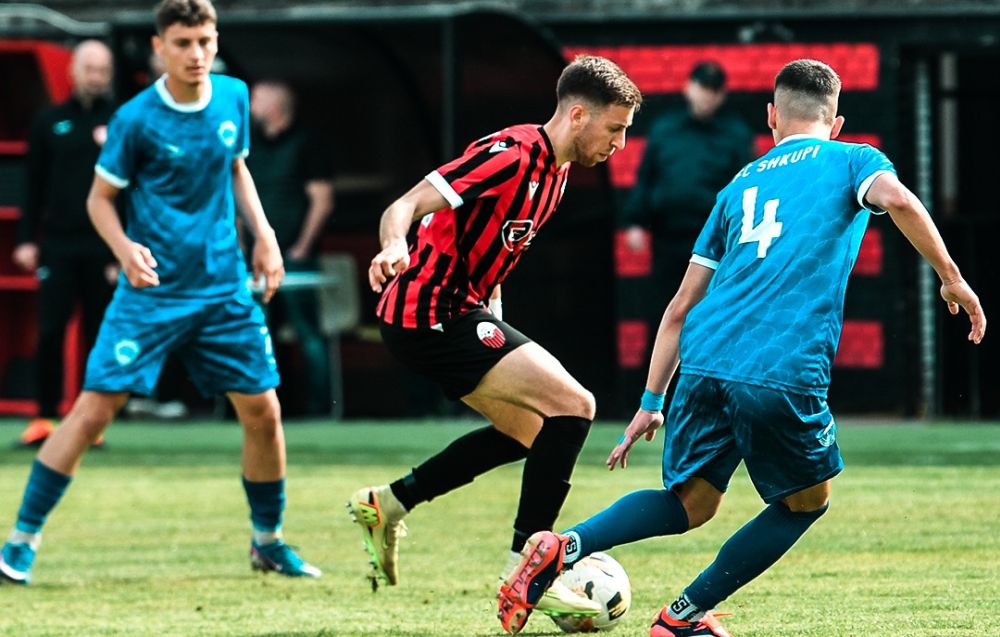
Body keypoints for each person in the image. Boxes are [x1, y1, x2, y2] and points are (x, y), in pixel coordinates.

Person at [501, 59, 986, 637]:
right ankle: (682, 617)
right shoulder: (852, 159)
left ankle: (565, 545)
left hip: (703, 360)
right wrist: (952, 277)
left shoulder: (738, 186)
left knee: (690, 503)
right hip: (779, 364)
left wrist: (651, 401)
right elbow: (900, 200)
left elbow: (679, 306)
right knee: (805, 502)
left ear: (771, 116)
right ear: (835, 123)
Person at [0, 0, 320, 585]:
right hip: (151, 293)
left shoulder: (233, 96)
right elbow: (99, 200)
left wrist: (265, 235)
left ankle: (268, 542)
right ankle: (20, 542)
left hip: (222, 289)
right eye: (183, 43)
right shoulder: (135, 119)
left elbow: (236, 168)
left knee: (263, 411)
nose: (197, 54)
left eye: (205, 42)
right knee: (93, 411)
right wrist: (124, 249)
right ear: (158, 48)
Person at [346, 55, 642, 626]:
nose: (620, 144)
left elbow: (495, 254)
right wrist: (393, 245)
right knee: (575, 406)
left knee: (532, 433)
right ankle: (524, 570)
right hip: (426, 313)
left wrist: (497, 322)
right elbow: (402, 206)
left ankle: (388, 502)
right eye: (615, 128)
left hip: (457, 313)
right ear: (578, 115)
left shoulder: (556, 175)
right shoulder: (511, 154)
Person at [12, 40, 118, 448]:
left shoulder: (120, 122)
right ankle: (44, 417)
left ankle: (91, 422)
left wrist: (124, 250)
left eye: (103, 70)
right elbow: (33, 186)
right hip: (57, 245)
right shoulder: (49, 121)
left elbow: (133, 190)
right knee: (50, 330)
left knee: (98, 334)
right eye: (89, 69)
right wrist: (26, 239)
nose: (96, 77)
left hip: (103, 246)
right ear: (74, 71)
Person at [623, 61, 752, 295]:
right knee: (664, 303)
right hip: (667, 237)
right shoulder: (665, 129)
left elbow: (746, 187)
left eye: (713, 90)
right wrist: (635, 222)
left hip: (714, 238)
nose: (707, 96)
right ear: (689, 87)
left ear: (722, 95)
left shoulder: (736, 134)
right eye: (703, 87)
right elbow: (647, 176)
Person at [246, 80, 335, 416]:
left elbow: (322, 200)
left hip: (296, 257)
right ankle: (268, 408)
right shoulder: (249, 145)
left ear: (273, 108)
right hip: (257, 256)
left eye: (255, 99)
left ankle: (319, 410)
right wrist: (242, 244)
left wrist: (302, 246)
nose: (249, 106)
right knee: (258, 331)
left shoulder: (307, 143)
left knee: (307, 332)